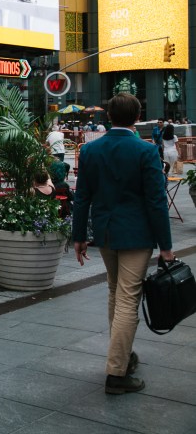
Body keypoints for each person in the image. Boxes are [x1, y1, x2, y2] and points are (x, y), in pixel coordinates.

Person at [73, 93, 173, 395]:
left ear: (109, 116)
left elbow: (82, 197)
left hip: (105, 234)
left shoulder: (89, 150)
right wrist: (166, 246)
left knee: (116, 293)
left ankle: (124, 354)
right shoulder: (145, 151)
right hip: (137, 235)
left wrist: (78, 236)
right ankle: (116, 372)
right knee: (128, 297)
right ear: (137, 116)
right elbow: (157, 202)